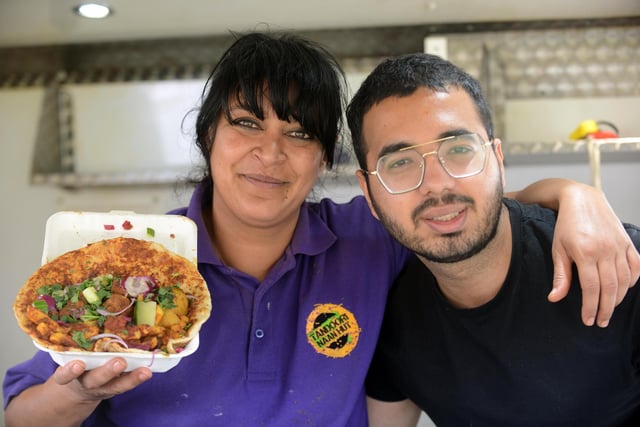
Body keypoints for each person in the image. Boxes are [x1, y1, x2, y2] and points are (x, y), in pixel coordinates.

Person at [3, 33, 639, 427]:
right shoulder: (139, 262)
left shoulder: (365, 239)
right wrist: (80, 395)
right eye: (247, 124)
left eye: (299, 134)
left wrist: (575, 196)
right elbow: (21, 414)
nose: (271, 155)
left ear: (328, 163)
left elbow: (452, 206)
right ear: (208, 136)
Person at [345, 52, 640, 426]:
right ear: (368, 193)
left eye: (459, 149)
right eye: (400, 163)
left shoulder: (614, 266)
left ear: (498, 159)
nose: (437, 184)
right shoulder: (396, 322)